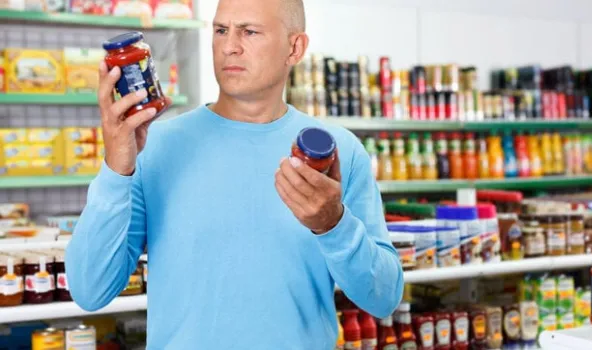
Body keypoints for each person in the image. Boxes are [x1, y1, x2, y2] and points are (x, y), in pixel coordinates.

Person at [65, 0, 403, 348]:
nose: (229, 46)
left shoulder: (337, 153)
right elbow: (90, 290)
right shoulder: (152, 146)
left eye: (250, 32)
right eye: (221, 30)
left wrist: (334, 225)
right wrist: (115, 170)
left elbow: (383, 297)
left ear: (295, 48)